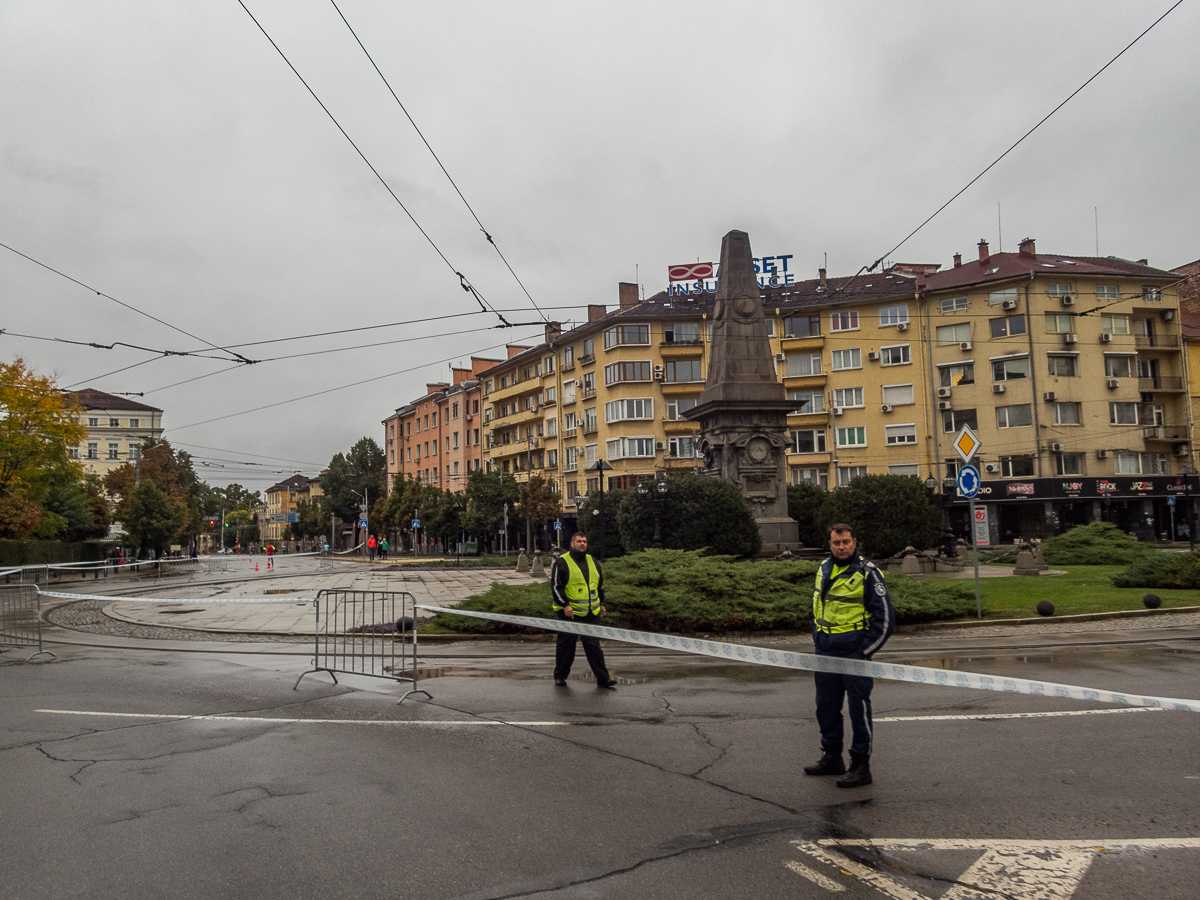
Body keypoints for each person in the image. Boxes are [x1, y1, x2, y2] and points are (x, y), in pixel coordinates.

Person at [804, 523, 895, 789]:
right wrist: (818, 637)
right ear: (829, 544)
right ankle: (832, 757)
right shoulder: (823, 568)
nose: (841, 547)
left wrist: (864, 652)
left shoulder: (868, 573)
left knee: (859, 710)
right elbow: (816, 607)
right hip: (826, 653)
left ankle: (860, 766)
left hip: (855, 653)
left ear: (854, 541)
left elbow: (886, 620)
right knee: (826, 708)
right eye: (836, 543)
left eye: (845, 542)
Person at [550, 532, 617, 689]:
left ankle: (603, 678)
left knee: (594, 647)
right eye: (579, 541)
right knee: (566, 647)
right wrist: (565, 605)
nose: (582, 544)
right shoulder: (562, 562)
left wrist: (601, 603)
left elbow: (598, 586)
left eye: (585, 541)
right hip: (569, 613)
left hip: (590, 613)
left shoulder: (593, 561)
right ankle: (560, 676)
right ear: (572, 544)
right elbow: (556, 587)